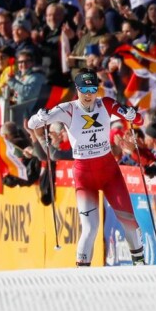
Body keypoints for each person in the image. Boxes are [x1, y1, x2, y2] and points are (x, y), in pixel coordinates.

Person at [27, 69, 145, 267]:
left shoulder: (105, 103)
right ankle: (82, 273)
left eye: (93, 89)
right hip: (84, 174)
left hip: (109, 172)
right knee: (90, 229)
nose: (89, 94)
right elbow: (32, 123)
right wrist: (40, 117)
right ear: (77, 89)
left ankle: (140, 263)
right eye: (84, 90)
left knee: (129, 222)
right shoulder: (68, 109)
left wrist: (133, 115)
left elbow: (138, 120)